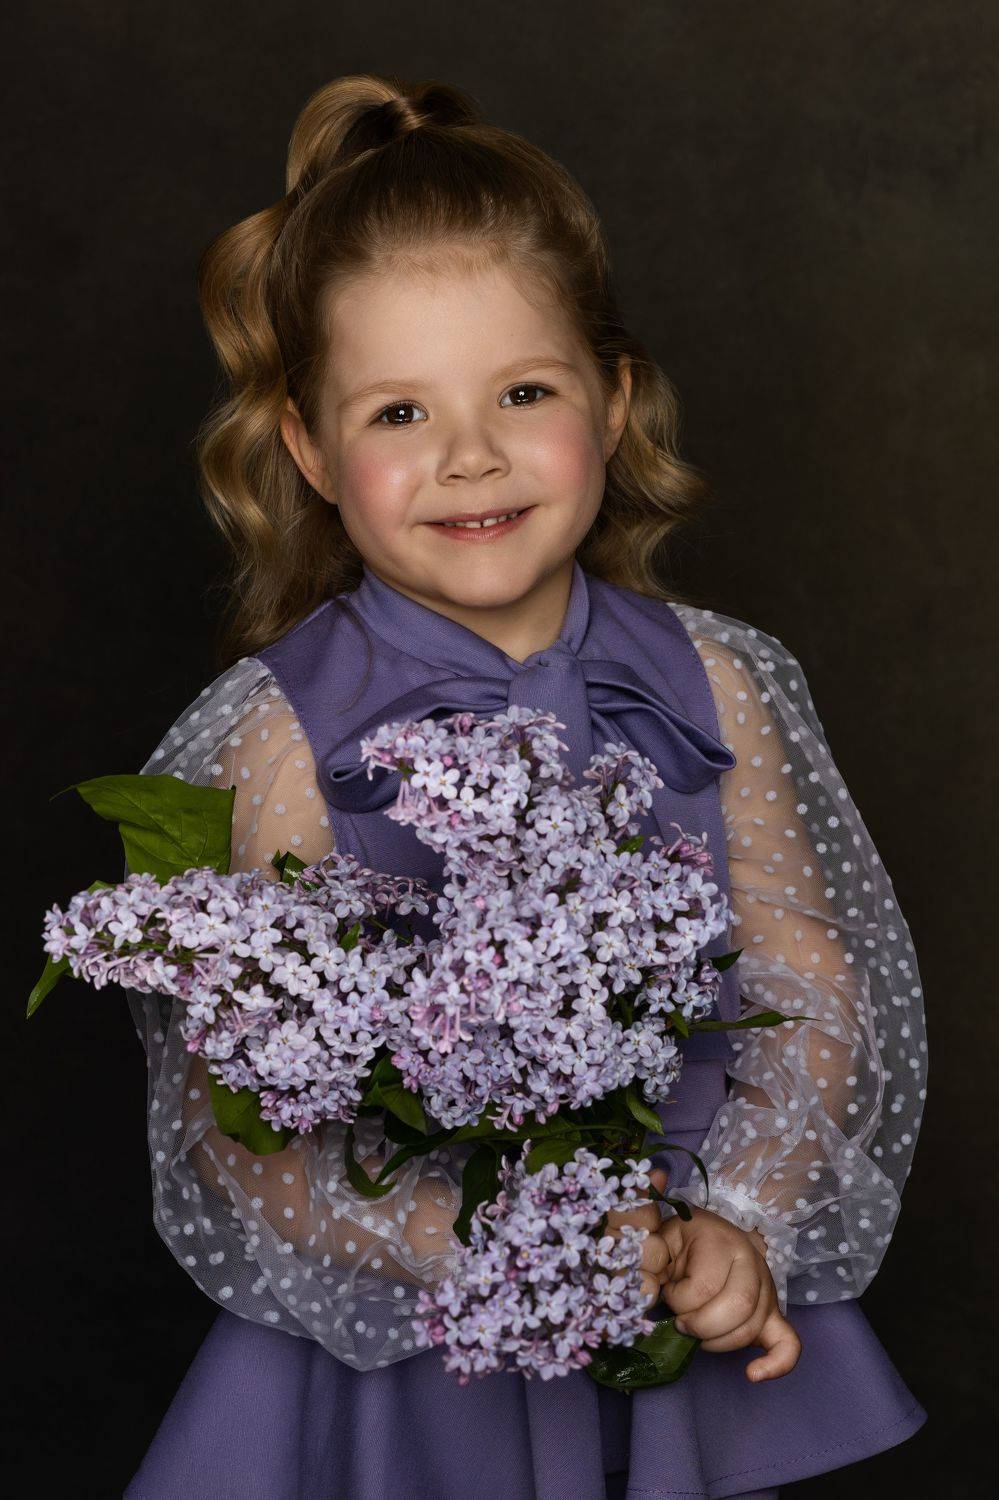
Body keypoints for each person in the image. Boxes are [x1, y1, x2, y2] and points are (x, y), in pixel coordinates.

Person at [123, 73, 928, 1500]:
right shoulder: (285, 734)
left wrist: (733, 1219)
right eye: (399, 411)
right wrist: (499, 1247)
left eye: (524, 392)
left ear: (612, 403)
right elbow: (240, 1123)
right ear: (309, 449)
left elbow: (813, 982)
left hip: (673, 1280)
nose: (470, 454)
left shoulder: (715, 680)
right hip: (420, 1355)